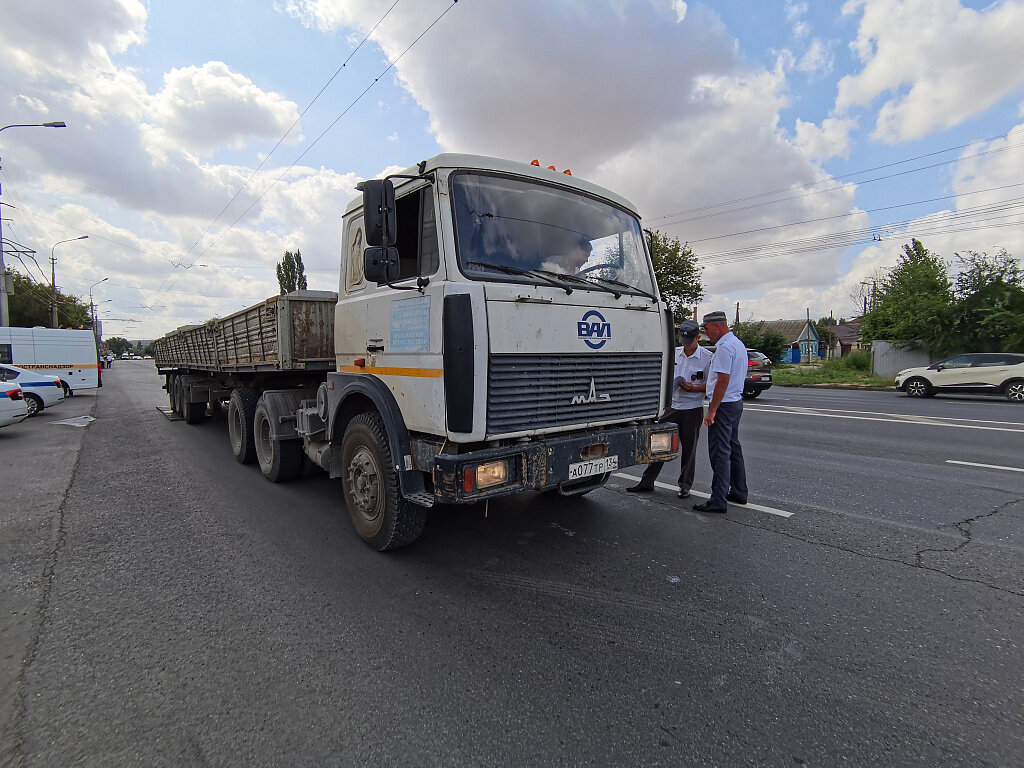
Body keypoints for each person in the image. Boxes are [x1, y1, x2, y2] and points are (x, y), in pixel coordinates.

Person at [627, 319, 711, 497]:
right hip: (673, 406)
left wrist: (695, 388)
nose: (686, 346)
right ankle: (647, 481)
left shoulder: (707, 358)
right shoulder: (674, 354)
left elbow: (712, 384)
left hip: (693, 407)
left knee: (690, 448)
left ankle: (685, 485)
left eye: (689, 342)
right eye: (683, 342)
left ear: (698, 338)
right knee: (658, 444)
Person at [693, 310, 748, 513]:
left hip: (724, 405)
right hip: (735, 403)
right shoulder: (737, 344)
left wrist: (712, 410)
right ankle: (739, 491)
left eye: (707, 329)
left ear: (718, 326)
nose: (707, 334)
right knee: (733, 447)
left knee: (720, 452)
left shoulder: (725, 348)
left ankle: (718, 499)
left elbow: (722, 381)